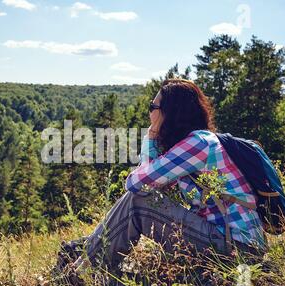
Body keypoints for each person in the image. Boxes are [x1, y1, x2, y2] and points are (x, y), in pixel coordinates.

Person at [73, 79, 266, 273]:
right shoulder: (198, 142)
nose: (149, 112)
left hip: (238, 250)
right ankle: (86, 264)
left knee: (136, 201)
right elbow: (151, 185)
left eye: (152, 107)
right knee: (139, 199)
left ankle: (84, 274)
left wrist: (152, 138)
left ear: (170, 112)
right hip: (229, 241)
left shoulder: (197, 144)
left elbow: (138, 185)